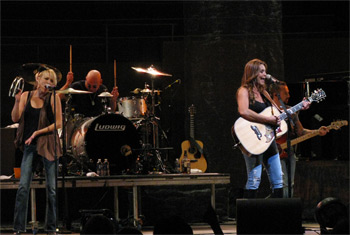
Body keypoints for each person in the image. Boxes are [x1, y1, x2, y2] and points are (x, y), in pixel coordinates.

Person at [236, 58, 300, 198]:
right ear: (253, 72)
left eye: (265, 71)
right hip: (252, 140)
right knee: (254, 179)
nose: (265, 75)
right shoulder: (243, 91)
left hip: (268, 140)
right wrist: (267, 119)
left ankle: (276, 216)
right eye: (262, 71)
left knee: (279, 181)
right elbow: (243, 111)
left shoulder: (265, 93)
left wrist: (302, 105)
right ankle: (249, 215)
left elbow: (277, 114)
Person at [11, 68, 63, 234]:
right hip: (30, 146)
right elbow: (15, 118)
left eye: (52, 80)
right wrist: (17, 101)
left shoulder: (54, 98)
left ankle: (51, 228)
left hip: (48, 145)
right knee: (23, 188)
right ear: (38, 79)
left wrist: (37, 133)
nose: (49, 82)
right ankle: (19, 228)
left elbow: (59, 123)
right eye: (46, 78)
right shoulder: (26, 95)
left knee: (52, 190)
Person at [268, 81, 329, 198]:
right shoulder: (267, 111)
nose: (289, 96)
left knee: (290, 184)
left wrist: (317, 131)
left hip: (289, 151)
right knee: (281, 184)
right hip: (274, 152)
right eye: (286, 93)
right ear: (276, 94)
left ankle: (287, 210)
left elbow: (300, 132)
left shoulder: (291, 110)